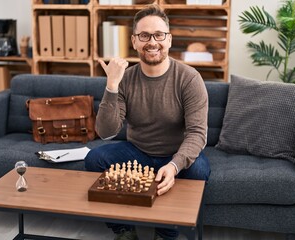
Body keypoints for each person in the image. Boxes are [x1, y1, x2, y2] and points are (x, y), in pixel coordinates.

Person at [85, 4, 211, 240]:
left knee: (199, 169)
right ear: (134, 41)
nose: (152, 41)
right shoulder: (125, 79)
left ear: (169, 40)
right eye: (144, 35)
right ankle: (123, 230)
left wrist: (174, 166)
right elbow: (105, 132)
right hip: (138, 151)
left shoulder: (189, 78)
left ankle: (165, 233)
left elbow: (197, 134)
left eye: (159, 35)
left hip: (175, 153)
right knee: (95, 159)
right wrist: (111, 85)